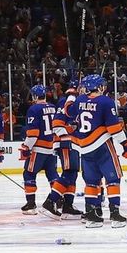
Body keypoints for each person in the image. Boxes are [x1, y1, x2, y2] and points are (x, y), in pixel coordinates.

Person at [70, 75, 127, 228]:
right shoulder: (106, 101)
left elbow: (70, 114)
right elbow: (114, 128)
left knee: (91, 182)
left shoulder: (80, 100)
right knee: (113, 179)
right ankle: (115, 214)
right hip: (102, 145)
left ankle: (92, 215)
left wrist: (72, 94)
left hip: (84, 148)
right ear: (100, 87)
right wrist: (126, 144)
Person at [40, 85, 85, 220]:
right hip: (66, 142)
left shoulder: (77, 101)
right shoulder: (66, 101)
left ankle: (68, 206)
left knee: (72, 174)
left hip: (72, 143)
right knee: (68, 172)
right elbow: (58, 124)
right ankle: (50, 201)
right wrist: (70, 131)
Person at [20, 85, 58, 214]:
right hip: (52, 147)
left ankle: (31, 205)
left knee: (29, 174)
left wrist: (26, 147)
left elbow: (33, 133)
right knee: (52, 174)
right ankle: (57, 200)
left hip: (38, 148)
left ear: (35, 96)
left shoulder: (34, 109)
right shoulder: (53, 107)